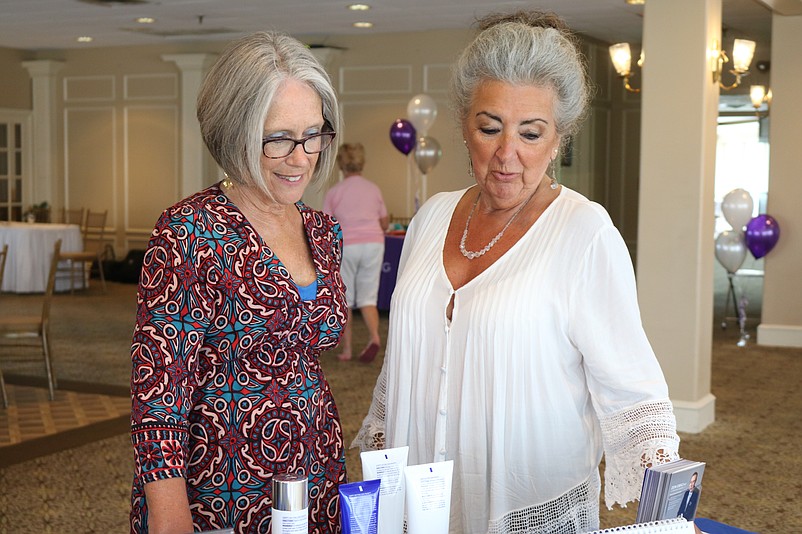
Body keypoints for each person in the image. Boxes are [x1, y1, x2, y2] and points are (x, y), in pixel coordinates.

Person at [352, 10, 682, 533]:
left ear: (559, 139)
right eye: (490, 128)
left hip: (524, 508)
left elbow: (634, 395)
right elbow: (403, 363)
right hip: (417, 502)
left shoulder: (584, 231)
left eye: (531, 133)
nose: (508, 154)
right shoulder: (432, 216)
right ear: (465, 125)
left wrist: (672, 518)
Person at [129, 31, 348, 534]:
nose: (302, 157)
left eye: (314, 134)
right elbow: (159, 390)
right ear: (236, 133)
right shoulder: (190, 231)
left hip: (316, 476)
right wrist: (168, 514)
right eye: (279, 139)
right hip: (220, 488)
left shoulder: (321, 229)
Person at [323, 143, 389, 363]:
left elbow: (326, 226)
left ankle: (348, 349)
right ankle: (374, 338)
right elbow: (385, 222)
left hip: (347, 246)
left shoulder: (334, 192)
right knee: (368, 298)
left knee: (347, 299)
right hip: (373, 244)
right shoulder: (373, 189)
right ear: (363, 163)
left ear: (341, 165)